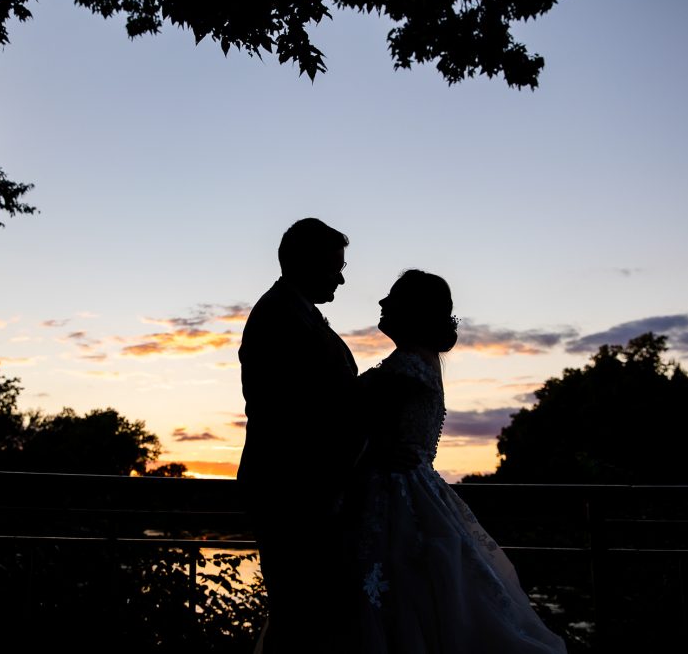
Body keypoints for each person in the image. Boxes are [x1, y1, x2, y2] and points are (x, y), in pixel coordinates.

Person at [342, 269, 568, 653]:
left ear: (413, 310)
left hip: (394, 495)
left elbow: (347, 420)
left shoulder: (408, 366)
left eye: (392, 297)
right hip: (415, 488)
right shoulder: (418, 361)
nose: (382, 304)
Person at [237, 217, 363, 653]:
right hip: (294, 493)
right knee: (299, 617)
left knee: (307, 617)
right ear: (305, 263)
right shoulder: (279, 318)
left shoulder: (298, 312)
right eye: (335, 267)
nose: (343, 278)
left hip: (307, 492)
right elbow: (295, 415)